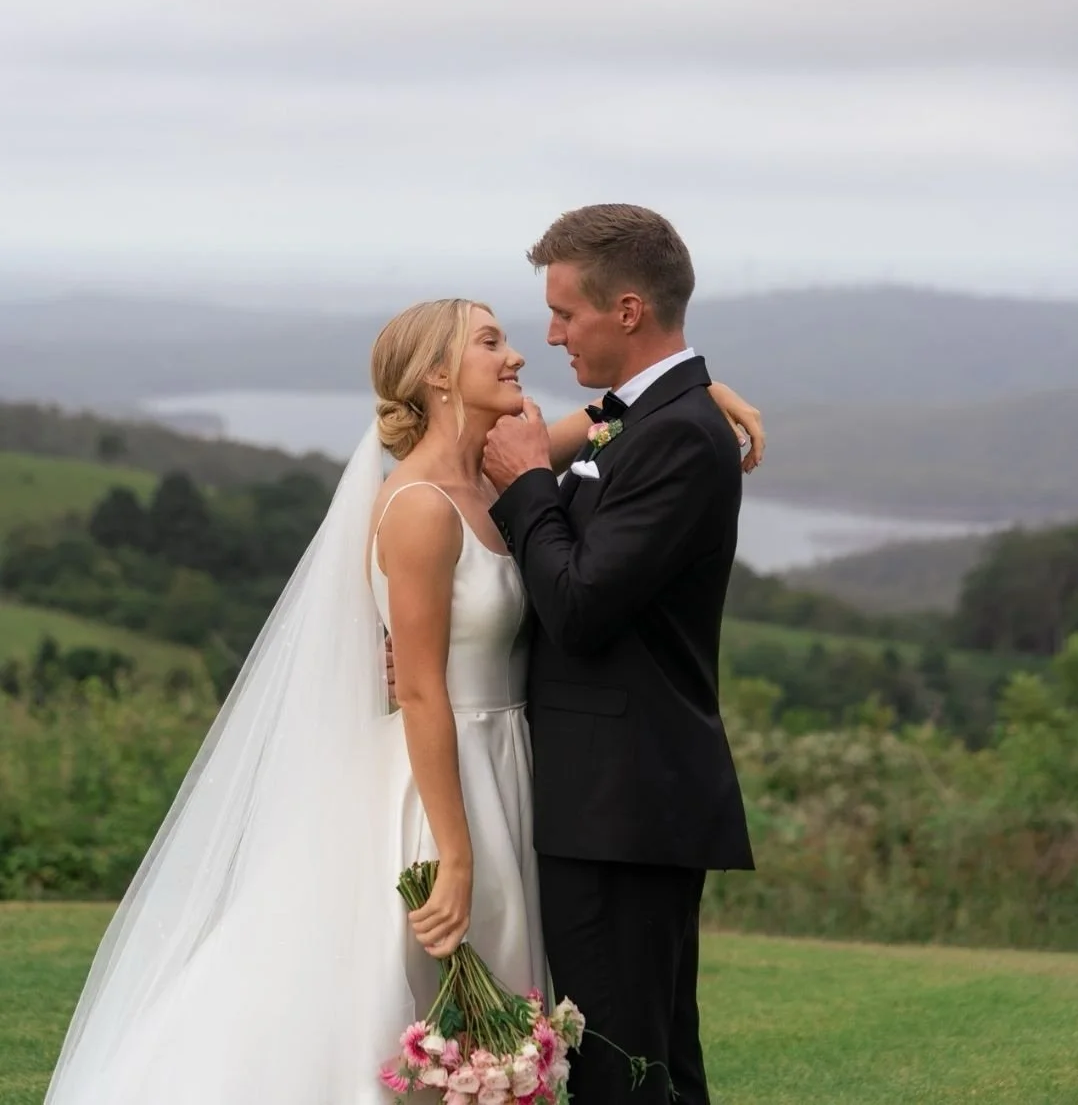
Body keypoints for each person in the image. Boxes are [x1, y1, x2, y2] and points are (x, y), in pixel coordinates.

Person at [43, 289, 762, 1105]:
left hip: (512, 772)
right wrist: (453, 855)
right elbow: (420, 691)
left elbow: (616, 422)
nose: (518, 354)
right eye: (491, 342)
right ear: (436, 378)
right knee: (407, 1009)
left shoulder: (494, 485)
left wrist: (702, 396)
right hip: (440, 785)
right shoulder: (419, 507)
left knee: (500, 1014)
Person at [482, 203, 755, 1105]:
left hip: (622, 804)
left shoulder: (676, 433)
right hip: (615, 799)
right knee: (657, 1064)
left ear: (628, 311)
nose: (551, 335)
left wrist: (528, 481)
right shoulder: (651, 416)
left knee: (619, 1069)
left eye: (566, 313)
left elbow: (581, 605)